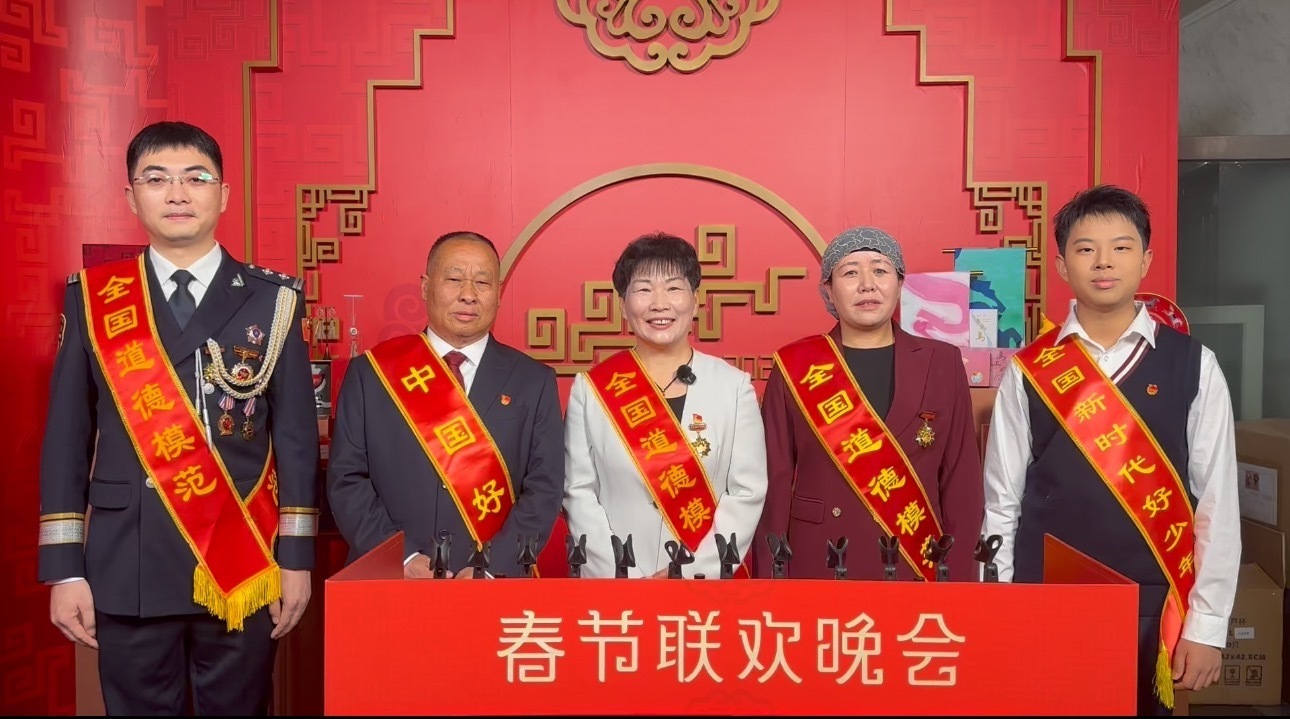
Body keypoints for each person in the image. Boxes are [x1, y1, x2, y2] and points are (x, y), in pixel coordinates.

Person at [38, 121, 319, 715]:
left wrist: (295, 559)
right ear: (130, 197)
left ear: (223, 194)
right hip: (126, 561)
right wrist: (63, 569)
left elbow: (295, 441)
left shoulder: (273, 299)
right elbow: (66, 440)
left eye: (196, 178)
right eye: (156, 179)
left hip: (241, 561)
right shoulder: (95, 296)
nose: (177, 194)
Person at [982, 185, 1239, 715]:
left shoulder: (1194, 364)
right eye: (1086, 248)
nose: (1104, 262)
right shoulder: (1029, 371)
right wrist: (995, 605)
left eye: (1121, 247)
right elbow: (1001, 502)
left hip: (1152, 600)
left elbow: (1218, 504)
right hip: (1045, 597)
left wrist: (1207, 626)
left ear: (1145, 260)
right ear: (1061, 265)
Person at [327, 231, 565, 579]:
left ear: (499, 293)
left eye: (482, 282)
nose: (468, 294)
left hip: (494, 585)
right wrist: (402, 558)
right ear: (426, 287)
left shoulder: (533, 380)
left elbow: (544, 489)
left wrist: (490, 568)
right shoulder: (372, 373)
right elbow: (347, 477)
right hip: (388, 579)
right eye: (454, 279)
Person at [754, 226, 984, 581]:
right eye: (850, 273)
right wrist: (771, 577)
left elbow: (961, 481)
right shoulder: (795, 365)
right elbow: (774, 481)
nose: (867, 284)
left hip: (915, 556)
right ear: (828, 290)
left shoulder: (942, 361)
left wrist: (958, 577)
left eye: (880, 270)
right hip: (819, 558)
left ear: (900, 283)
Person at [563, 232, 768, 578]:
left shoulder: (734, 388)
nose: (659, 303)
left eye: (673, 288)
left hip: (703, 586)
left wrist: (690, 573)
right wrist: (622, 573)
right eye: (643, 289)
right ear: (623, 304)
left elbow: (746, 493)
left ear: (695, 301)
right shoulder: (591, 390)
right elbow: (578, 493)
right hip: (616, 586)